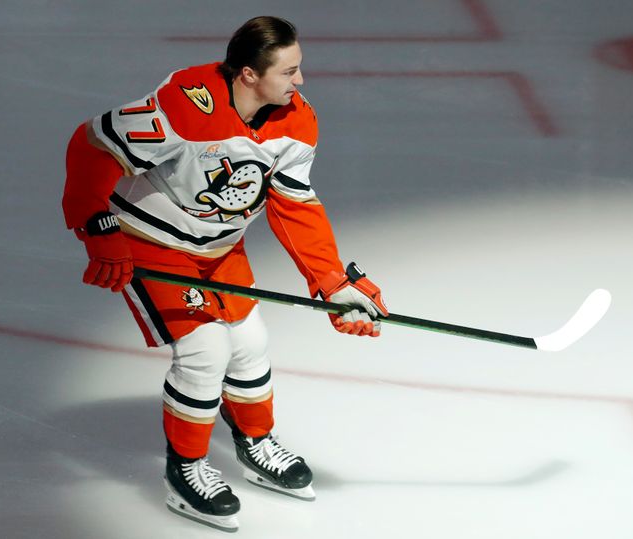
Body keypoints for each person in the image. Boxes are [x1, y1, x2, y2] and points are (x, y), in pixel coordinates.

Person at [62, 15, 388, 532]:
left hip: (218, 248)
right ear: (248, 75)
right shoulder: (184, 107)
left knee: (250, 341)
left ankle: (256, 442)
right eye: (289, 72)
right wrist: (96, 225)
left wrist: (333, 282)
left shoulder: (296, 119)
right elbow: (94, 144)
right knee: (204, 350)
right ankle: (185, 469)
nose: (300, 82)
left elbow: (294, 205)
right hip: (154, 244)